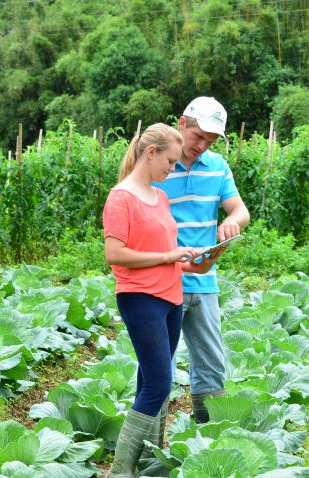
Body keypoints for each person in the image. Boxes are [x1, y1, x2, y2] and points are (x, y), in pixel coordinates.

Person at [103, 123, 218, 477]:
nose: (172, 168)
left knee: (148, 381)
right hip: (141, 299)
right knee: (158, 383)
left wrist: (199, 261)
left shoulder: (161, 197)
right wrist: (168, 256)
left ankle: (144, 460)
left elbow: (165, 253)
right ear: (150, 153)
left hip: (171, 296)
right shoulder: (121, 197)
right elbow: (115, 254)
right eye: (169, 161)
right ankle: (121, 470)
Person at [154, 97, 250, 424]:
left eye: (210, 140)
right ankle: (152, 454)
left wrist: (232, 221)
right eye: (198, 136)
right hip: (164, 281)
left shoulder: (218, 167)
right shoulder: (158, 168)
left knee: (211, 366)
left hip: (204, 281)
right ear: (182, 124)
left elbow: (240, 210)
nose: (202, 145)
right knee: (158, 368)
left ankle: (206, 445)